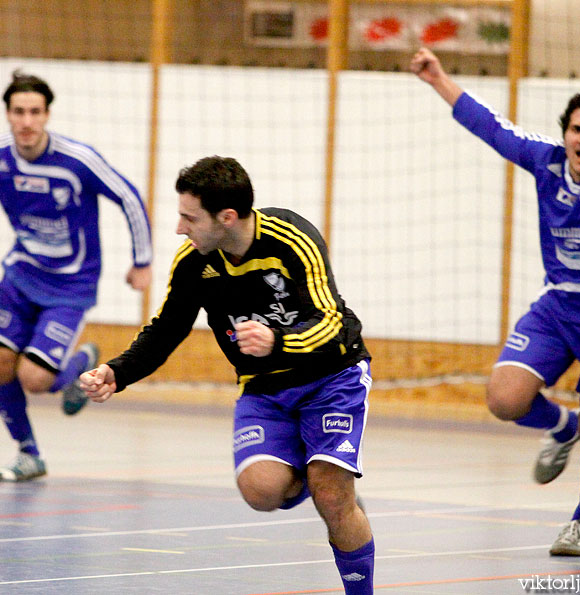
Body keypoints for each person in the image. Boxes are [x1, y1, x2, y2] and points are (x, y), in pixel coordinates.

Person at [79, 156, 375, 593]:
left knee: (331, 495)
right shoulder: (195, 262)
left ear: (227, 217)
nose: (180, 228)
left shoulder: (292, 239)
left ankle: (344, 529)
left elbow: (334, 322)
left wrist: (279, 340)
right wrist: (116, 372)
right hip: (265, 387)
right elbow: (166, 330)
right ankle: (326, 481)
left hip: (332, 377)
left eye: (188, 217)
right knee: (260, 491)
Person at [411, 47, 580, 556]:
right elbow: (493, 127)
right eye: (577, 129)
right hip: (560, 308)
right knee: (504, 398)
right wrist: (438, 80)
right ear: (565, 132)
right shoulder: (547, 162)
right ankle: (559, 425)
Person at [0, 71, 153, 481]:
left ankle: (80, 362)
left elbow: (127, 196)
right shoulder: (1, 158)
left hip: (70, 286)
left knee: (33, 378)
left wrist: (142, 261)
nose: (27, 121)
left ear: (47, 115)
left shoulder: (76, 160)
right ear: (9, 115)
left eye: (35, 112)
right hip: (19, 275)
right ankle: (29, 453)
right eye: (19, 112)